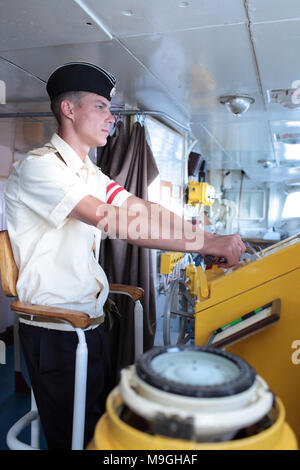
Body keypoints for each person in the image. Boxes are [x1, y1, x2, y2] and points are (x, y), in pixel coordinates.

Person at [4, 62, 246, 449]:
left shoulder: (87, 172)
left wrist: (210, 236)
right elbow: (111, 220)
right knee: (75, 438)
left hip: (88, 321)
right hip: (56, 328)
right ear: (69, 110)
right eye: (100, 106)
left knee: (98, 428)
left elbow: (140, 208)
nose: (111, 118)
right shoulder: (39, 168)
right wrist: (206, 246)